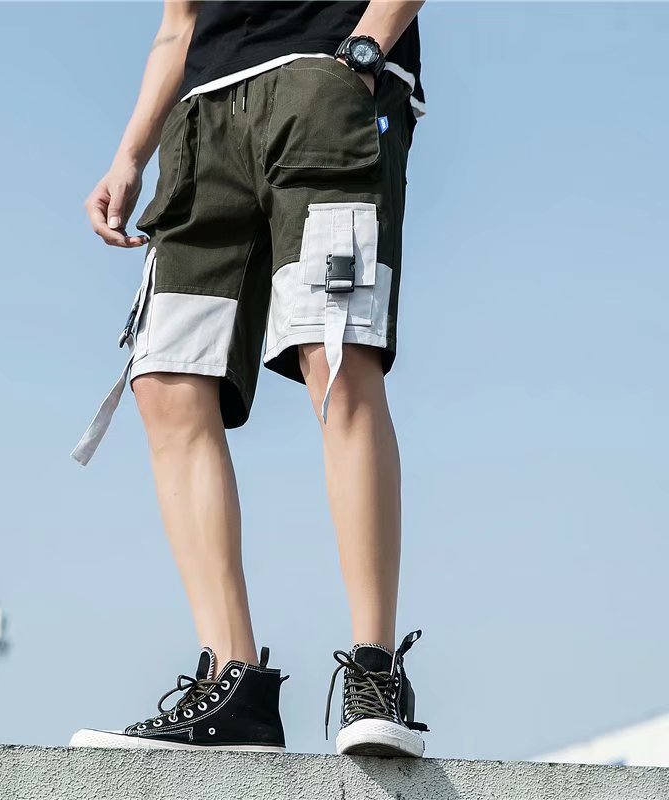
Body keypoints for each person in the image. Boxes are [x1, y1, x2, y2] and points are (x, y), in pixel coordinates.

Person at [70, 0, 429, 757]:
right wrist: (130, 154)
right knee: (165, 377)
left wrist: (365, 51)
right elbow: (179, 21)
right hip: (202, 116)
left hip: (323, 78)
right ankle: (233, 687)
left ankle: (374, 671)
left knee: (335, 353)